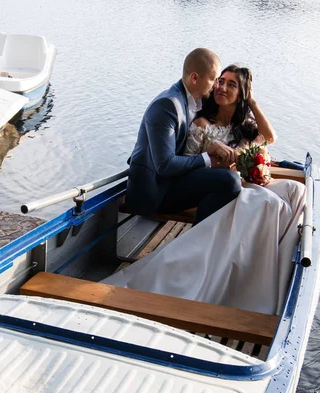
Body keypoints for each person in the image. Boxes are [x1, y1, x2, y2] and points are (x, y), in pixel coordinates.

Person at [105, 65, 306, 315]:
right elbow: (185, 165)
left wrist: (252, 101)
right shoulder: (201, 123)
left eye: (231, 84)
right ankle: (240, 274)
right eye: (220, 81)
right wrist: (217, 164)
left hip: (237, 185)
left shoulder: (243, 124)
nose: (221, 87)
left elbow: (268, 137)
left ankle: (273, 266)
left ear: (242, 94)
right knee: (269, 203)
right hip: (216, 186)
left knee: (296, 191)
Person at [126, 48, 241, 225]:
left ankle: (209, 238)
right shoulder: (167, 105)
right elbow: (164, 165)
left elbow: (234, 104)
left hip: (173, 180)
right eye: (213, 80)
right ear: (194, 78)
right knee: (230, 181)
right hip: (154, 191)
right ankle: (198, 240)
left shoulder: (197, 98)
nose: (217, 86)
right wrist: (208, 157)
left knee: (228, 177)